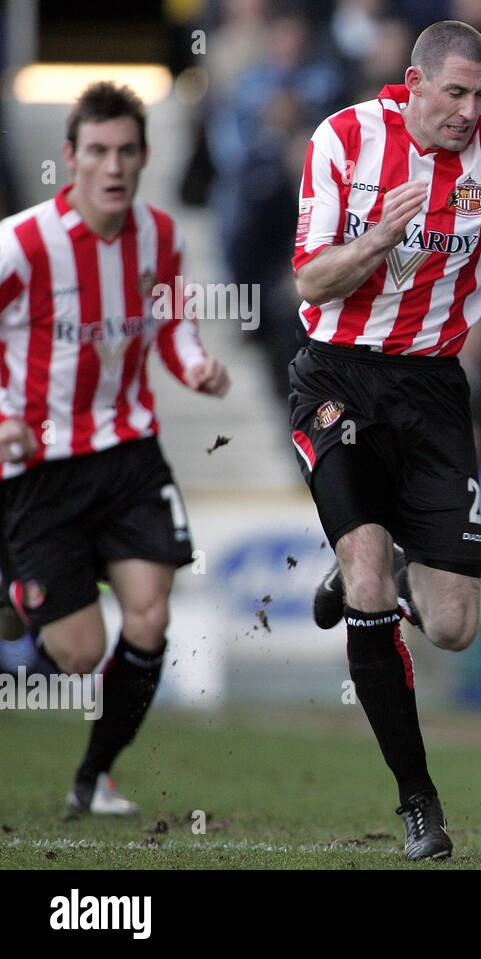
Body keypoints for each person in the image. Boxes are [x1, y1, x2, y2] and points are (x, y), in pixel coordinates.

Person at [289, 20, 481, 861]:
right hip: (337, 373)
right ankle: (418, 799)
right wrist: (379, 238)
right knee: (364, 571)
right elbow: (311, 279)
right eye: (453, 93)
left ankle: (377, 566)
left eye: (480, 94)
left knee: (455, 626)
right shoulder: (344, 139)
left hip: (431, 386)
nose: (468, 110)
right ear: (413, 84)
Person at [0, 81, 229, 814]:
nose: (113, 166)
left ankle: (94, 775)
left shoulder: (162, 236)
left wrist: (195, 364)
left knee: (151, 617)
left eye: (127, 150)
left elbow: (172, 324)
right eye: (97, 150)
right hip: (38, 464)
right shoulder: (23, 243)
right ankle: (15, 583)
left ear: (144, 156)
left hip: (129, 451)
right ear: (70, 157)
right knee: (77, 651)